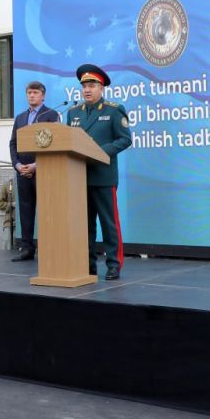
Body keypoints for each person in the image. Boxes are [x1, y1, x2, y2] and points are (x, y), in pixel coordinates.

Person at [66, 64, 133, 280]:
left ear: (101, 87)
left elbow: (125, 139)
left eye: (92, 85)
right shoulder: (73, 113)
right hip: (79, 177)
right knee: (85, 226)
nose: (87, 89)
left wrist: (99, 152)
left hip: (103, 177)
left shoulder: (114, 110)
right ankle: (88, 264)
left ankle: (114, 264)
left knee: (108, 223)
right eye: (84, 85)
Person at [9, 81, 60, 261]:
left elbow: (55, 142)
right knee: (25, 210)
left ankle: (50, 248)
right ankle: (27, 248)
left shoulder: (51, 114)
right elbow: (13, 143)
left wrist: (36, 165)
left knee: (48, 210)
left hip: (44, 171)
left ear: (43, 96)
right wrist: (18, 166)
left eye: (35, 93)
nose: (32, 95)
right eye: (29, 92)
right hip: (22, 171)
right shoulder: (20, 118)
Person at [0, 178, 16, 250]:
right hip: (10, 223)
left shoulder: (33, 181)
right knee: (8, 249)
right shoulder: (8, 184)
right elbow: (0, 204)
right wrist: (11, 204)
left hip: (28, 224)